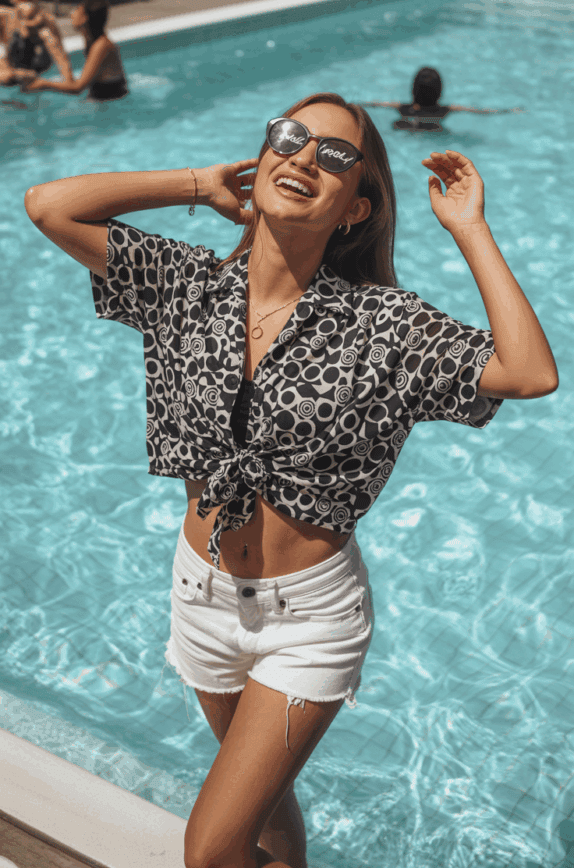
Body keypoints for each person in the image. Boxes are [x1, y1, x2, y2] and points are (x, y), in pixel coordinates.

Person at [24, 93, 557, 868]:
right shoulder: (187, 287)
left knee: (211, 851)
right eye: (290, 138)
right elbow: (50, 205)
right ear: (265, 154)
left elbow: (529, 371)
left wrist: (469, 229)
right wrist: (198, 183)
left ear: (355, 210)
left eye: (336, 157)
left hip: (307, 621)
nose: (305, 157)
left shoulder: (384, 325)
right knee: (263, 815)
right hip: (199, 598)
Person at [24, 0, 128, 101]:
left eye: (77, 10)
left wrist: (43, 84)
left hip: (113, 101)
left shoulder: (101, 46)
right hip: (104, 99)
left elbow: (78, 88)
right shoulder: (91, 40)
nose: (71, 13)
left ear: (85, 18)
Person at [363, 66, 522, 132]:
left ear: (413, 90)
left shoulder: (401, 107)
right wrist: (508, 111)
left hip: (409, 123)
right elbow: (482, 112)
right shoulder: (445, 110)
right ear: (439, 92)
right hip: (433, 129)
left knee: (398, 125)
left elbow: (375, 104)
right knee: (441, 131)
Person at [0, 0, 73, 89]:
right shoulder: (4, 18)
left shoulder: (47, 23)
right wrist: (11, 72)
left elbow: (65, 67)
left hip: (39, 83)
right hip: (10, 81)